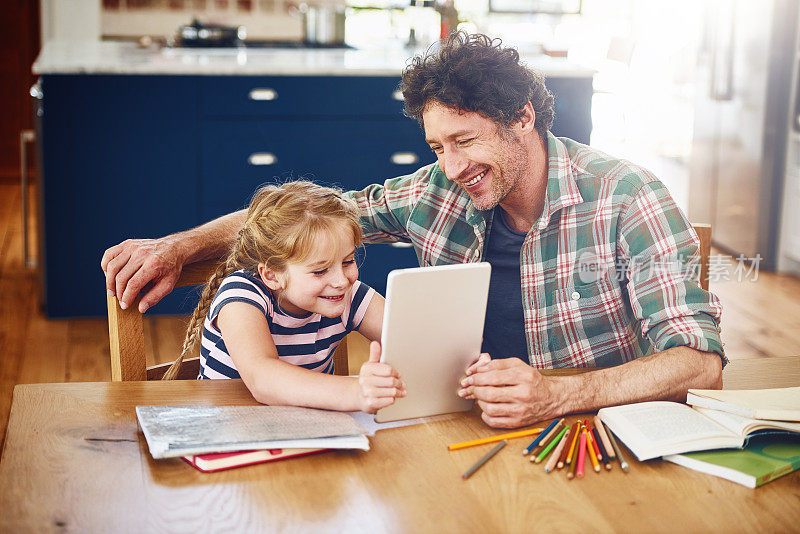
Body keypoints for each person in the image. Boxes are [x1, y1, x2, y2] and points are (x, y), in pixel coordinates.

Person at [102, 33, 724, 428]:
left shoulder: (627, 198)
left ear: (523, 118)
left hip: (587, 430)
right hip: (450, 422)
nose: (451, 168)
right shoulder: (435, 192)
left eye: (465, 141)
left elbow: (699, 365)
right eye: (437, 145)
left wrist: (559, 396)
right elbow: (298, 220)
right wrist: (179, 247)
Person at [162, 180, 406, 413]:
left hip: (307, 428)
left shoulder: (349, 295)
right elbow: (262, 377)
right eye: (320, 270)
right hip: (227, 434)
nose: (341, 281)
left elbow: (413, 341)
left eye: (348, 261)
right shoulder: (242, 295)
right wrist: (355, 392)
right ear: (272, 275)